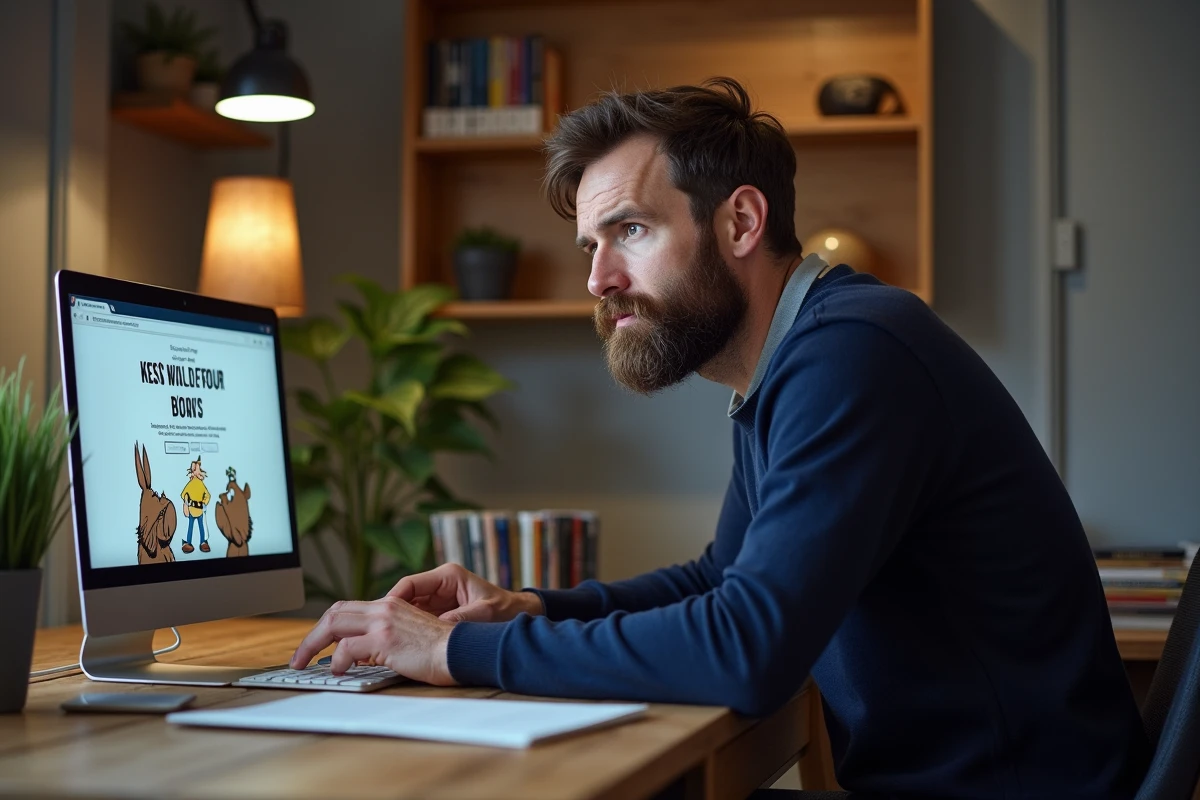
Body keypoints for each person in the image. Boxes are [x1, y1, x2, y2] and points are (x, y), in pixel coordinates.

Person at [291, 78, 1149, 798]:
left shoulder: (854, 352)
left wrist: (455, 647)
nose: (598, 279)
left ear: (740, 223)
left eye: (629, 230)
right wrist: (537, 607)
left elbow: (748, 650)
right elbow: (721, 579)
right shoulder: (794, 358)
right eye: (590, 244)